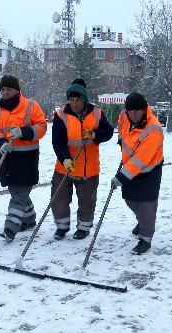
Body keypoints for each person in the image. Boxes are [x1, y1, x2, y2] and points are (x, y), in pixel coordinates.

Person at [51, 79, 114, 240]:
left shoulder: (97, 113)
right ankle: (62, 227)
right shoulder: (61, 115)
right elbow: (57, 141)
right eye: (71, 100)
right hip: (65, 167)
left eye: (78, 100)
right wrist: (65, 159)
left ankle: (83, 228)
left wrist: (94, 135)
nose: (74, 103)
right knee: (59, 199)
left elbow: (108, 132)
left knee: (87, 201)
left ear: (84, 99)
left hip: (89, 169)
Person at [0, 75, 47, 241]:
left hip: (27, 159)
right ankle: (29, 220)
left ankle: (10, 227)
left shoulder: (31, 105)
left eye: (8, 89)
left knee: (19, 194)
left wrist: (24, 132)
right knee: (16, 191)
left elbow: (42, 127)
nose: (5, 92)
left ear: (17, 90)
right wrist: (0, 143)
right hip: (7, 158)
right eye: (2, 89)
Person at [111, 92, 164, 255]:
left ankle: (145, 239)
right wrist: (121, 139)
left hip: (149, 170)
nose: (133, 114)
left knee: (147, 205)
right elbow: (121, 125)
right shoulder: (124, 116)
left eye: (137, 111)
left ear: (144, 109)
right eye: (130, 111)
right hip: (130, 166)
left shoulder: (153, 128)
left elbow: (141, 159)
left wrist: (121, 177)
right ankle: (142, 221)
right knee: (130, 199)